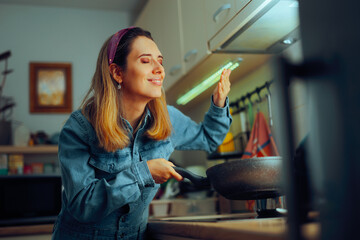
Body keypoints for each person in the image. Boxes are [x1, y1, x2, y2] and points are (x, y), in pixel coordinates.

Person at [52, 26, 232, 240]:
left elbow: (209, 138)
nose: (159, 69)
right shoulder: (80, 127)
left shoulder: (168, 118)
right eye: (146, 61)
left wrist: (219, 103)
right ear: (118, 73)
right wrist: (143, 173)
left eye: (160, 61)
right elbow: (83, 205)